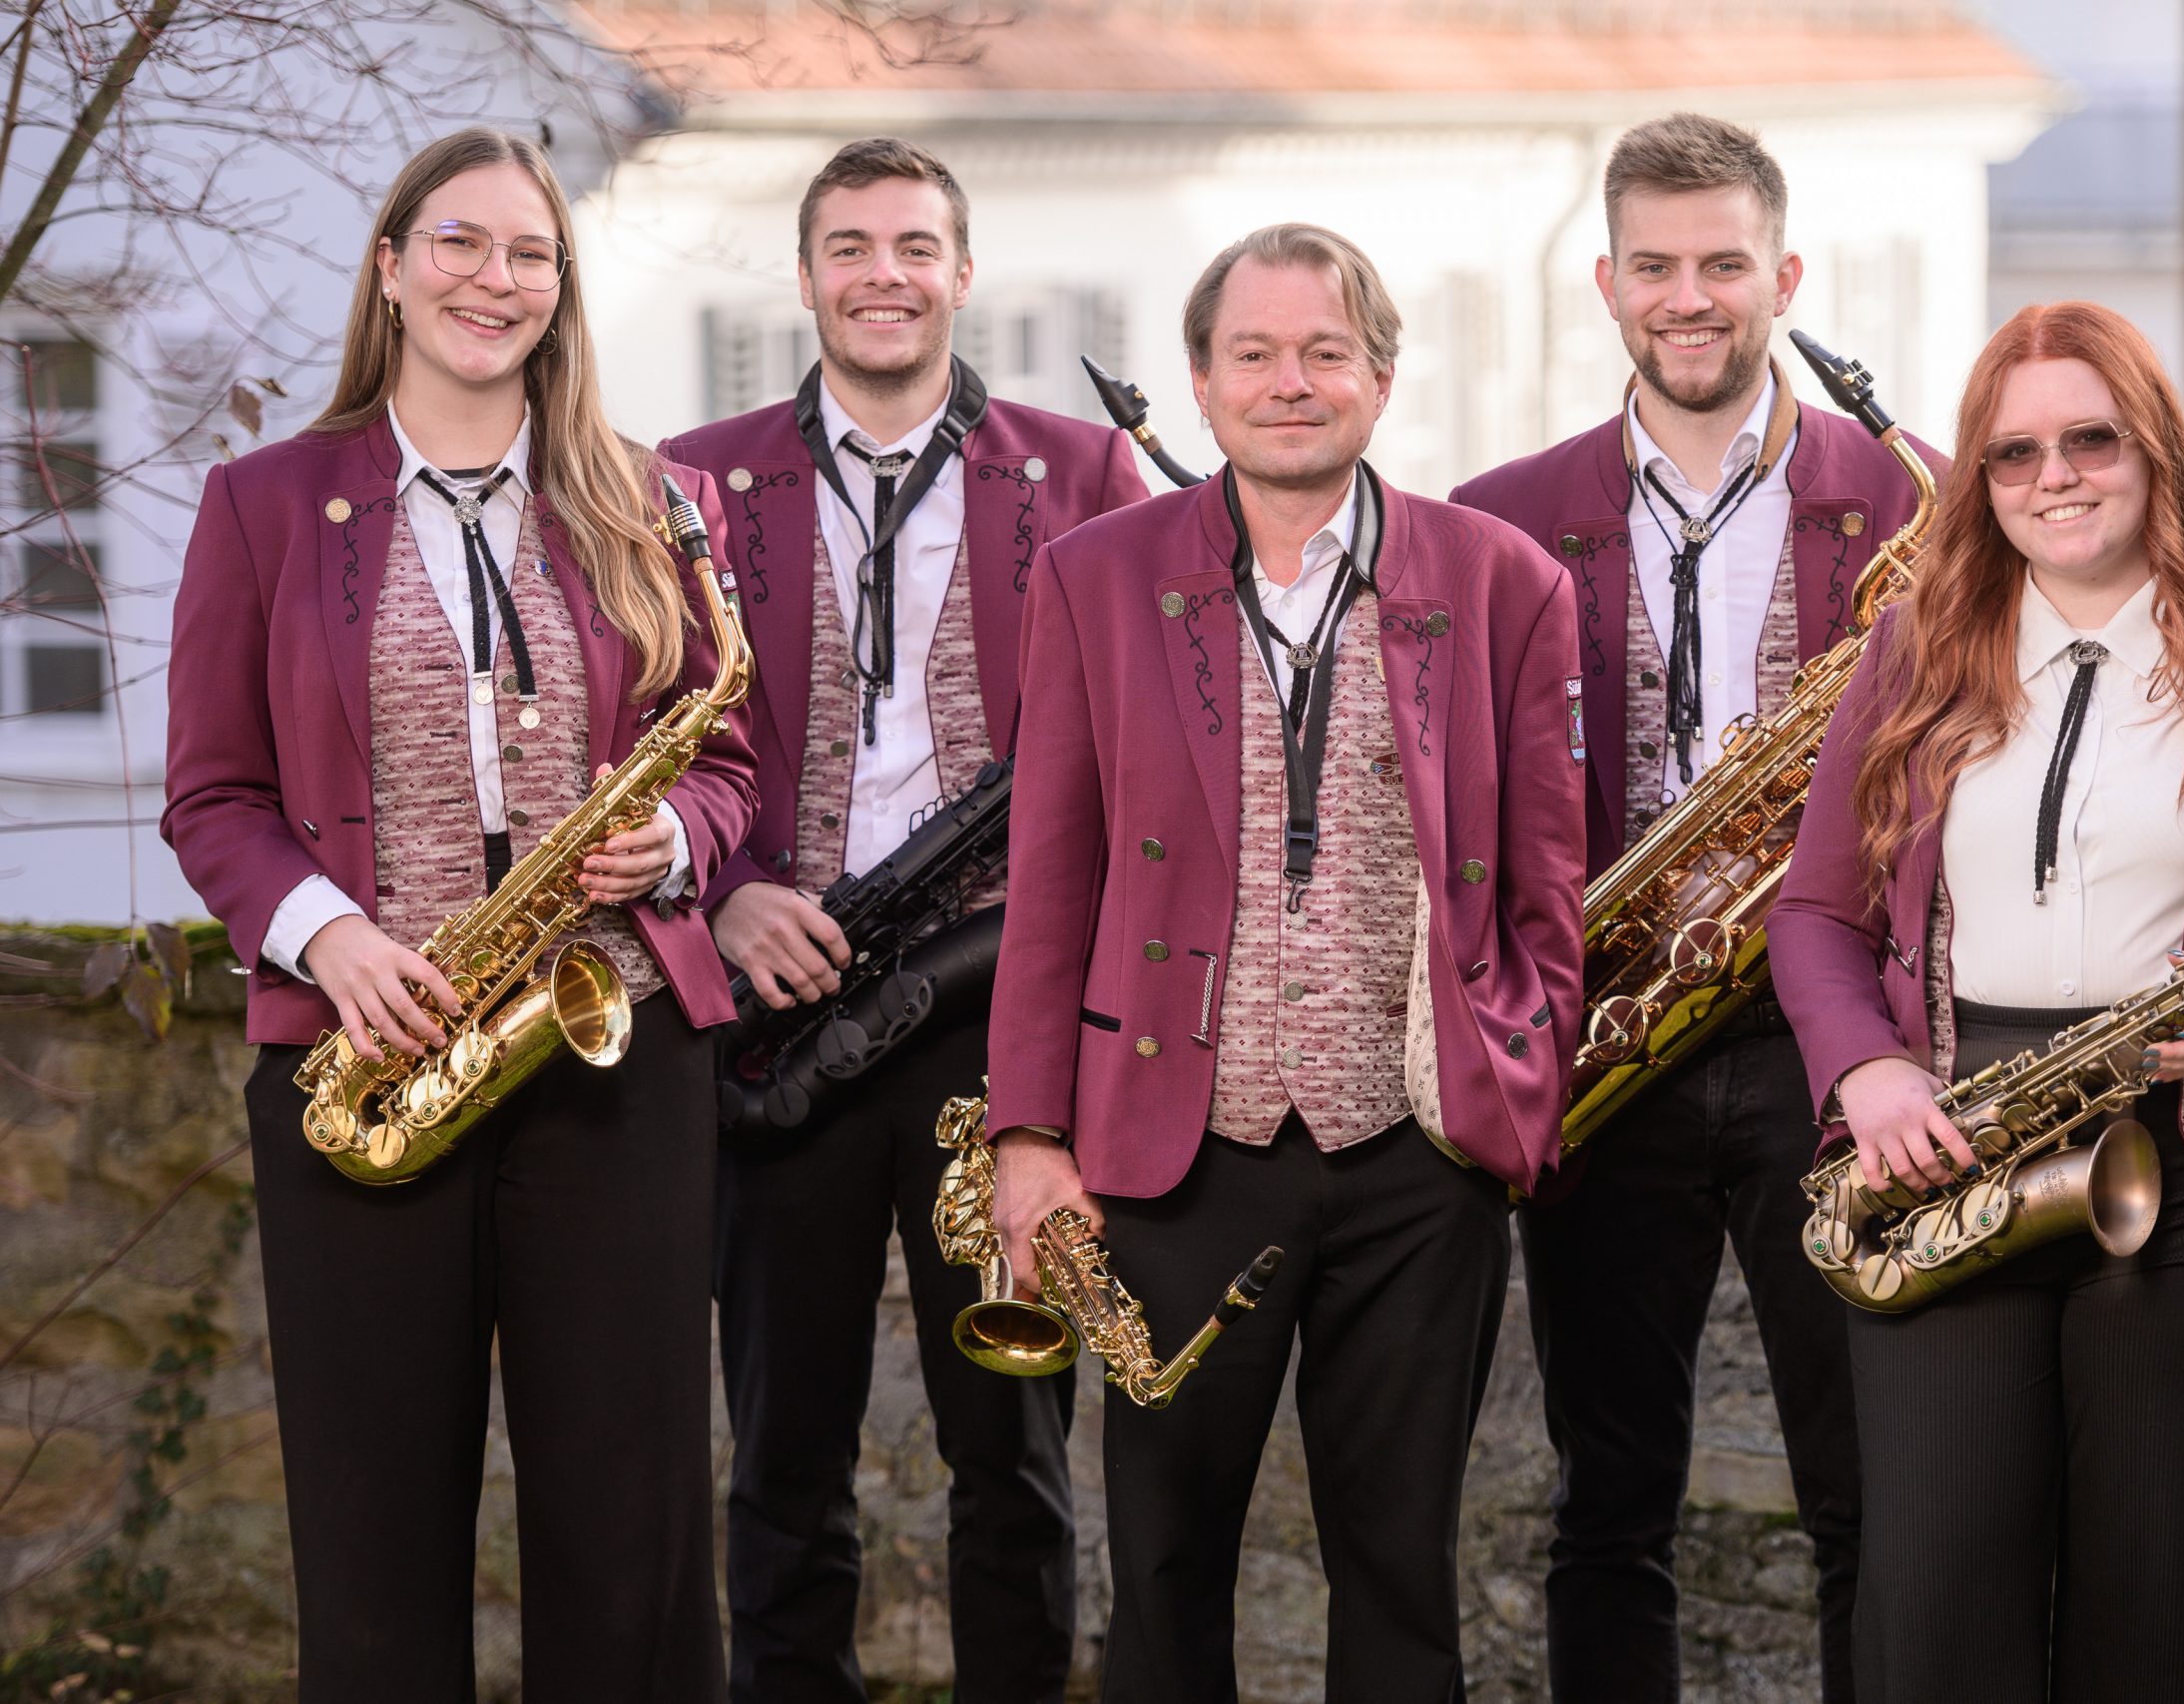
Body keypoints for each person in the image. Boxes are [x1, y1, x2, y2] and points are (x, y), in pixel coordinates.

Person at [1764, 298, 2184, 1704]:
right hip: (1952, 1146)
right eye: (2014, 454)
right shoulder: (1911, 650)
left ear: (2156, 452)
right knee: (1936, 1613)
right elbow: (1818, 912)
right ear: (1980, 477)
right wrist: (1867, 1074)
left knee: (2162, 1624)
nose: (2055, 478)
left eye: (2092, 440)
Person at [161, 127, 756, 1700]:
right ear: (391, 267)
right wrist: (331, 937)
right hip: (373, 1058)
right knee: (371, 1540)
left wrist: (675, 840)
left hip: (614, 1056)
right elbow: (213, 797)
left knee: (632, 1546)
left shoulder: (656, 499)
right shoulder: (265, 504)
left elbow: (726, 753)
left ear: (562, 288)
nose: (497, 279)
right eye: (461, 244)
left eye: (531, 253)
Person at [983, 223, 1585, 1703]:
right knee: (1163, 1571)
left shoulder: (1503, 581)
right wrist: (1027, 1133)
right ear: (1201, 381)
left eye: (1325, 353)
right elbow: (1049, 880)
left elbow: (1547, 889)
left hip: (1417, 1158)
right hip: (1172, 1149)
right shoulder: (1093, 577)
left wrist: (1515, 1083)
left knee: (1402, 1571)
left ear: (1382, 378)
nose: (1289, 382)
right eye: (1253, 353)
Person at [659, 136, 1146, 1704]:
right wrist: (726, 894)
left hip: (999, 1023)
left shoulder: (1082, 472)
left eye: (916, 246)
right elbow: (643, 730)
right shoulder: (687, 476)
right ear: (807, 277)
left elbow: (1143, 743)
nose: (886, 275)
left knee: (1014, 1447)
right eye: (853, 247)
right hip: (778, 1012)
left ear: (963, 272)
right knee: (781, 1451)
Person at [1450, 111, 1927, 1704]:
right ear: (1607, 283)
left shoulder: (1919, 503)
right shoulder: (1500, 514)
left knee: (1868, 1495)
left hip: (1836, 1046)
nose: (1689, 297)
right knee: (1609, 1503)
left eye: (1724, 263)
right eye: (1653, 266)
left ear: (1784, 277)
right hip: (1609, 1038)